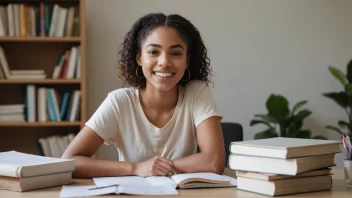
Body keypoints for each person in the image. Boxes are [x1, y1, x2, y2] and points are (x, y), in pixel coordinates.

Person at [62, 13, 225, 178]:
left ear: (187, 60)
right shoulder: (120, 101)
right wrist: (136, 168)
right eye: (154, 52)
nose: (164, 62)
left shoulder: (196, 93)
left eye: (175, 53)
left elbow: (214, 161)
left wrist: (156, 168)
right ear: (139, 58)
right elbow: (69, 161)